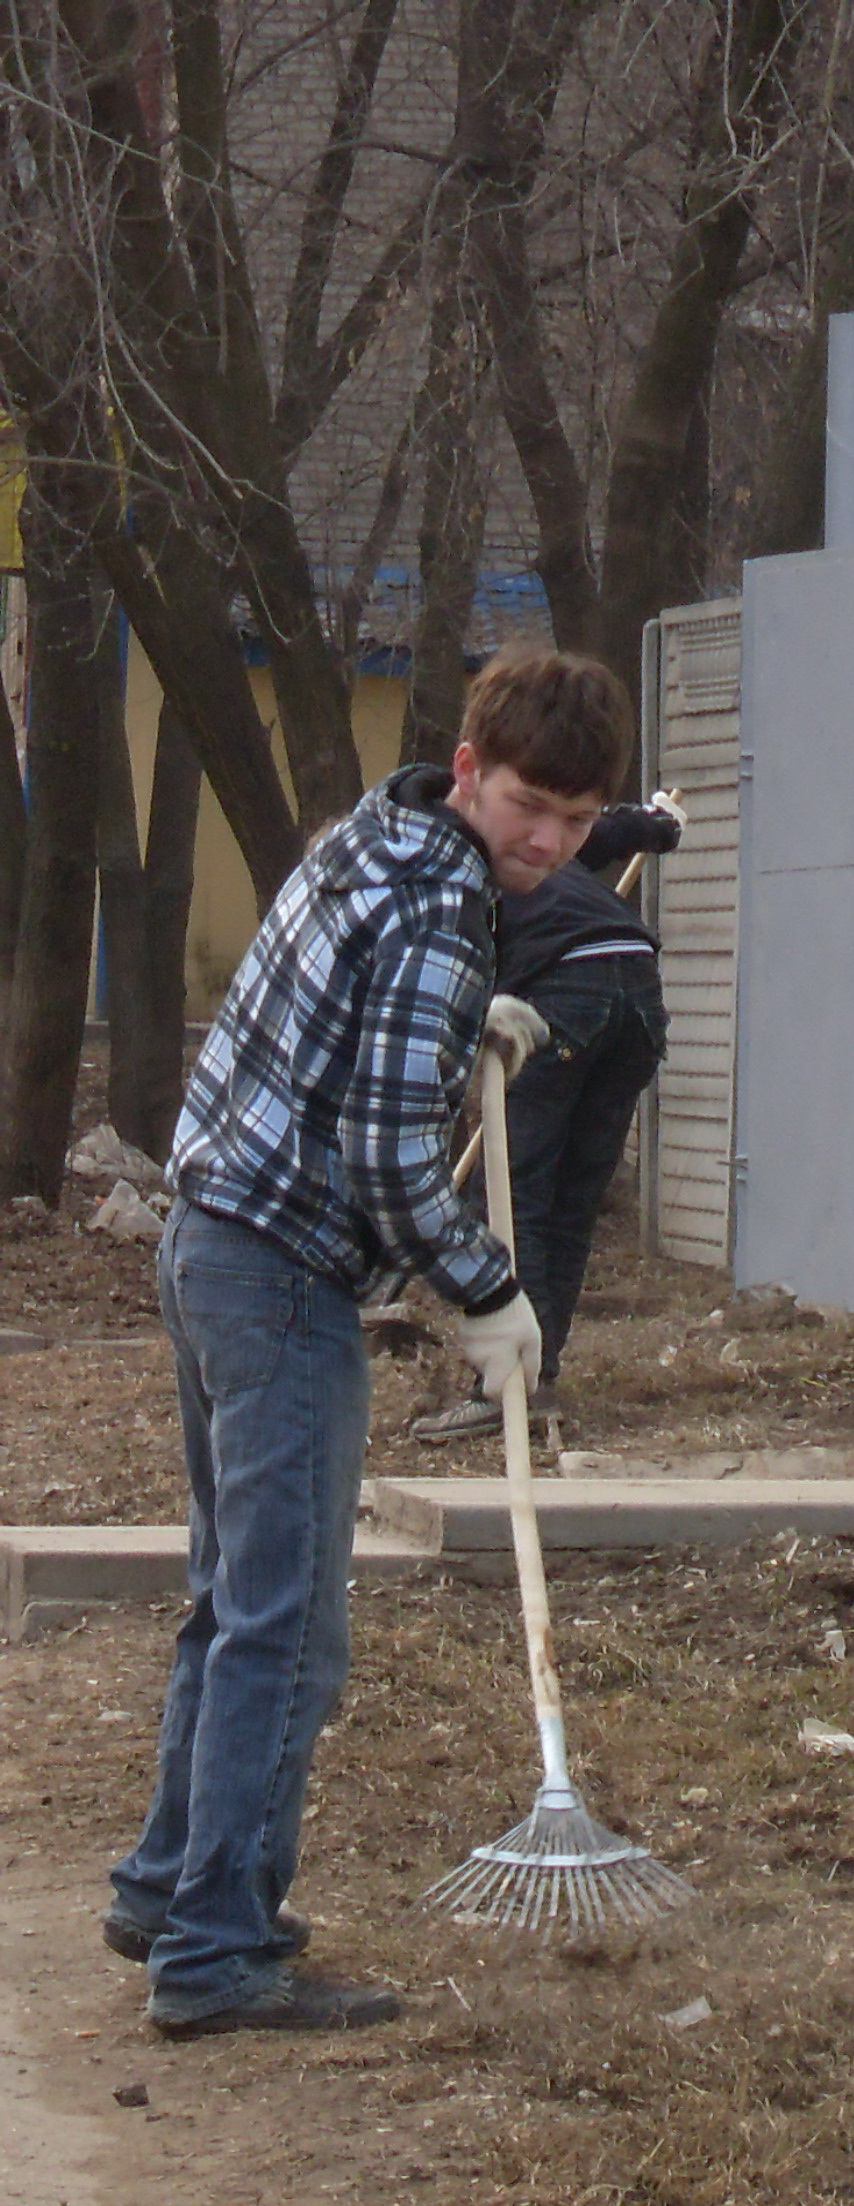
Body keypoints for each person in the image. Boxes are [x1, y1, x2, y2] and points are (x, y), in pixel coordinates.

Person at [106, 649, 632, 2036]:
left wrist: (464, 1024)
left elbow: (339, 1028)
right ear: (471, 769)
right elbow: (396, 1165)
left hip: (206, 1234)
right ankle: (214, 1954)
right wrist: (487, 1294)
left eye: (578, 823)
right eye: (529, 805)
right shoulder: (445, 913)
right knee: (288, 1633)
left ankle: (168, 1885)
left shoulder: (374, 832)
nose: (549, 842)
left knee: (234, 1598)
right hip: (280, 1276)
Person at [411, 791, 685, 1442]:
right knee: (569, 1204)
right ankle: (541, 1377)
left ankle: (511, 1388)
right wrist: (657, 828)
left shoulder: (446, 871)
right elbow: (608, 833)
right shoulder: (541, 846)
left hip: (564, 989)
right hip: (638, 990)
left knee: (512, 1196)